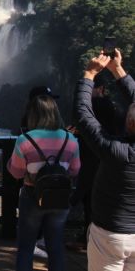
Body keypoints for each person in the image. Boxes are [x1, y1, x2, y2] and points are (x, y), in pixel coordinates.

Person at [75, 49, 135, 271]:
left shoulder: (115, 151)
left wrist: (89, 74)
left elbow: (83, 115)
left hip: (111, 236)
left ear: (128, 124)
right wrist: (118, 69)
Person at [7, 92, 80, 271]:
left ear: (33, 114)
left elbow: (16, 172)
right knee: (55, 247)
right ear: (55, 112)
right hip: (61, 198)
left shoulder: (25, 140)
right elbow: (75, 170)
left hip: (32, 196)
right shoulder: (71, 140)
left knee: (25, 248)